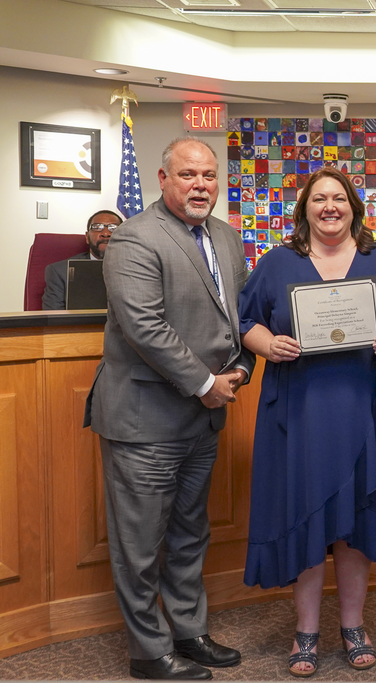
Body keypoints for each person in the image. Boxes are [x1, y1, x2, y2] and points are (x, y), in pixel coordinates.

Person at [239, 167, 376, 677]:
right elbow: (245, 320)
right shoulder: (278, 262)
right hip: (301, 410)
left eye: (338, 198)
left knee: (358, 515)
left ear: (353, 207)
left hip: (366, 403)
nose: (329, 207)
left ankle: (353, 624)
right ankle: (306, 630)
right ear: (304, 209)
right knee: (307, 516)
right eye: (318, 199)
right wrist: (268, 345)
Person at [84, 137, 255, 680]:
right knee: (138, 545)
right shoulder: (134, 238)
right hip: (144, 419)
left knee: (189, 534)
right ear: (163, 179)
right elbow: (144, 327)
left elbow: (239, 316)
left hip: (202, 418)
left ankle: (188, 631)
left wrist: (241, 369)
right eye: (188, 175)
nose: (200, 185)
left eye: (208, 175)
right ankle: (148, 651)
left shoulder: (226, 237)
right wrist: (205, 383)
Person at [41, 209, 122, 309]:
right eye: (97, 227)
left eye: (113, 228)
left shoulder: (137, 267)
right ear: (87, 237)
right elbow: (54, 316)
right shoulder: (60, 271)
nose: (105, 233)